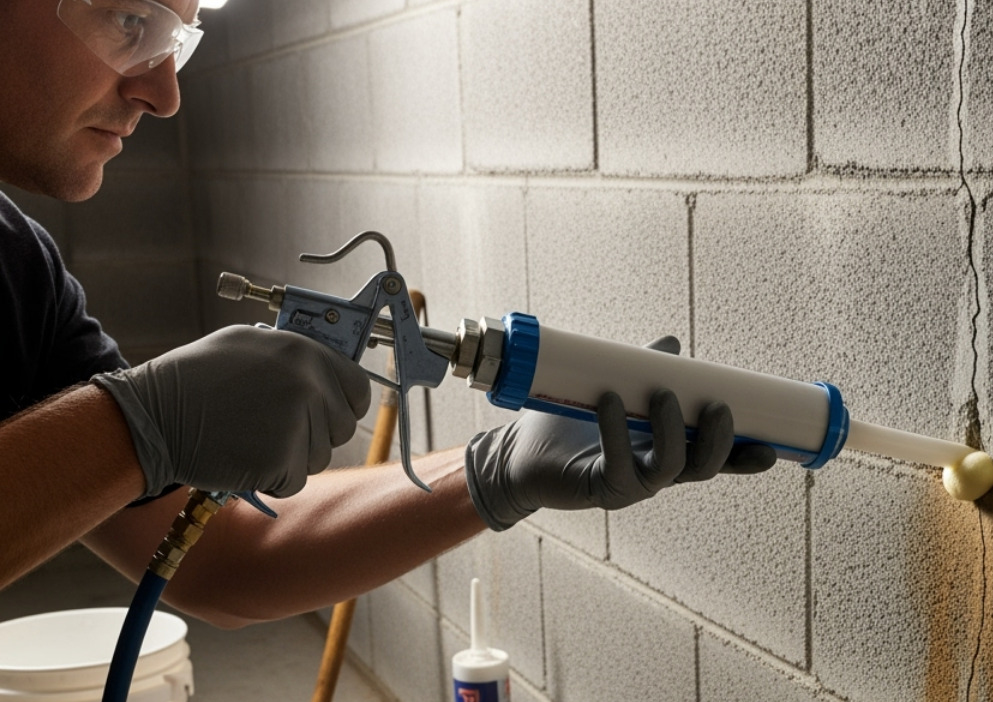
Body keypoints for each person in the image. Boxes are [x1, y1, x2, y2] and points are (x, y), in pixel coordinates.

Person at [0, 0, 773, 626]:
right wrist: (136, 427)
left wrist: (492, 472)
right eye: (130, 23)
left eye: (178, 40)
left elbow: (222, 558)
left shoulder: (17, 270)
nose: (163, 94)